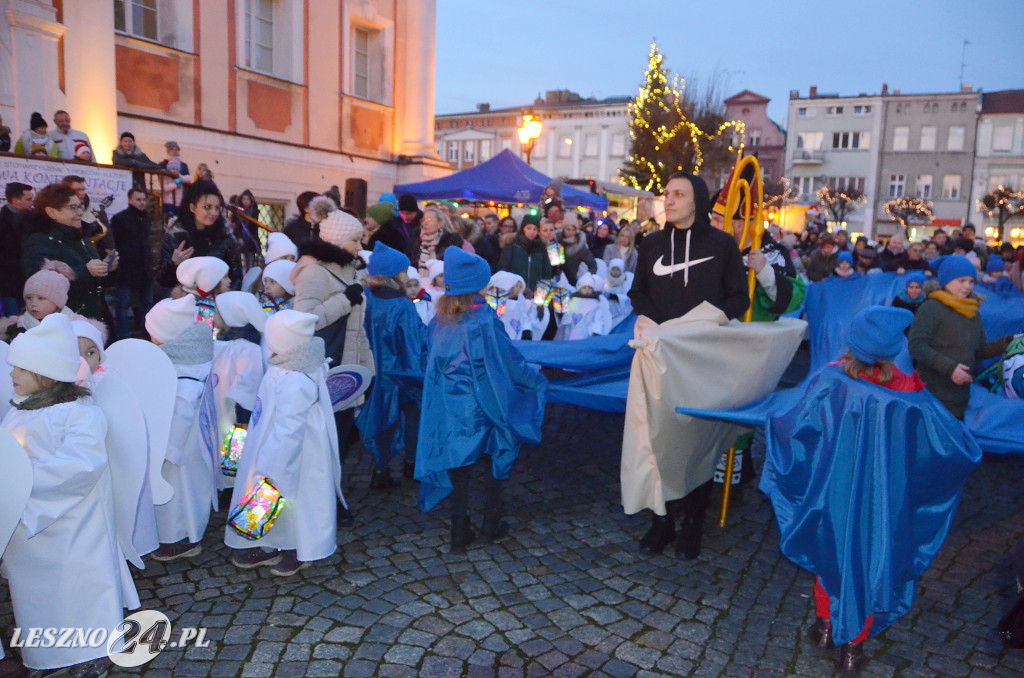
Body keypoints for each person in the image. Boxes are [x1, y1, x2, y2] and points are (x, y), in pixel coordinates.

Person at [758, 306, 981, 674]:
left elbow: (794, 425)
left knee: (831, 556)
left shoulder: (831, 381)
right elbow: (943, 441)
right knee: (869, 559)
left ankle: (827, 627)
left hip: (835, 495)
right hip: (882, 500)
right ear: (893, 351)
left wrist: (773, 425)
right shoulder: (911, 394)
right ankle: (853, 650)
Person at [2, 313, 139, 677]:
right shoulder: (18, 410)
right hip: (30, 531)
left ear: (45, 374)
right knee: (37, 597)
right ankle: (46, 655)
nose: (12, 376)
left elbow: (80, 464)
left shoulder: (79, 414)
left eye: (21, 369)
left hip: (72, 526)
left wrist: (22, 484)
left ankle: (88, 654)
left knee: (77, 590)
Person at [628, 171, 748, 559]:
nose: (670, 200)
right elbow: (638, 291)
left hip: (702, 358)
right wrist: (649, 321)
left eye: (678, 194)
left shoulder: (723, 244)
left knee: (696, 436)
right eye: (666, 194)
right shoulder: (651, 244)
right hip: (657, 355)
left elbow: (738, 299)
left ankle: (694, 521)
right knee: (656, 436)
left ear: (697, 200)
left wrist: (703, 325)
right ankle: (661, 520)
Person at [415, 247, 547, 553]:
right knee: (492, 453)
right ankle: (492, 521)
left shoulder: (439, 319)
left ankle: (459, 529)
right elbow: (508, 358)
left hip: (449, 406)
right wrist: (535, 380)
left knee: (458, 464)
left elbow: (428, 359)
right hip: (485, 404)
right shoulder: (484, 317)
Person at [225, 310, 346, 576]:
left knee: (301, 499)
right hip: (273, 445)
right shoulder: (284, 366)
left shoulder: (296, 378)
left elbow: (289, 429)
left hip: (298, 452)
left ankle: (302, 548)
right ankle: (274, 543)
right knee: (280, 498)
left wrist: (273, 464)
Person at [292, 208, 375, 460]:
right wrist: (344, 301)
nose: (360, 246)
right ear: (337, 239)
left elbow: (357, 331)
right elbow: (304, 321)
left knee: (340, 444)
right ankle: (323, 496)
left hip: (345, 371)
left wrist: (367, 371)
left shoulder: (349, 271)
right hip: (325, 370)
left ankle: (333, 495)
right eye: (354, 240)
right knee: (324, 446)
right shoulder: (315, 273)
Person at [146, 296, 218, 561]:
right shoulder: (195, 355)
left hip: (179, 446)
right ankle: (183, 533)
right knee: (191, 489)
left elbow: (182, 409)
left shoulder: (181, 368)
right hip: (194, 441)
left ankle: (177, 539)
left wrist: (169, 450)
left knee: (177, 494)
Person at [357, 242, 429, 489]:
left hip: (375, 372)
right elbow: (411, 344)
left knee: (380, 418)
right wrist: (416, 377)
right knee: (411, 416)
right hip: (400, 373)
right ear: (393, 274)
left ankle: (381, 468)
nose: (407, 275)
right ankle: (411, 463)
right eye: (404, 271)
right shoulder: (401, 306)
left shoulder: (367, 299)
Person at [908, 254, 1012, 419]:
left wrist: (1009, 342)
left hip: (960, 396)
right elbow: (916, 345)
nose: (967, 286)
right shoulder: (931, 308)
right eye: (961, 280)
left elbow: (979, 351)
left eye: (971, 281)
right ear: (946, 279)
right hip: (933, 394)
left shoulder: (972, 311)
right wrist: (949, 368)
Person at [21, 183, 119, 319]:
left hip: (95, 320)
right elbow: (39, 288)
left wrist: (109, 268)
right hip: (64, 323)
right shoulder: (39, 242)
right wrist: (86, 272)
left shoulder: (83, 238)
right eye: (72, 208)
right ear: (52, 212)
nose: (80, 212)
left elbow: (97, 285)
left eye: (80, 206)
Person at [156, 180, 242, 291]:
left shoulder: (225, 236)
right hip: (183, 304)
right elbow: (161, 281)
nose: (214, 213)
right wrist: (173, 264)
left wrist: (224, 300)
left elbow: (237, 276)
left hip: (215, 304)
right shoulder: (175, 235)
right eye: (207, 207)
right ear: (192, 208)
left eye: (217, 208)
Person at [109, 187, 154, 337]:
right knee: (123, 304)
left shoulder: (146, 218)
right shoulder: (120, 219)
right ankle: (123, 336)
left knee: (145, 305)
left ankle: (147, 334)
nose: (142, 203)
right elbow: (114, 242)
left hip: (144, 268)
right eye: (138, 200)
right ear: (130, 200)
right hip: (127, 268)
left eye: (143, 199)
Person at [497, 214, 552, 295]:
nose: (532, 232)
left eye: (535, 229)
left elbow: (546, 272)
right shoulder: (512, 245)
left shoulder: (541, 248)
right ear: (523, 229)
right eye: (529, 228)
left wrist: (543, 291)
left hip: (536, 293)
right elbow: (503, 268)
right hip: (514, 292)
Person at [0, 182, 33, 316]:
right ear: (15, 201)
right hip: (9, 283)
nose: (32, 204)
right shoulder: (4, 222)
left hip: (21, 281)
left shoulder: (27, 219)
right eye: (28, 200)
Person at [417, 205, 464, 273]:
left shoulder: (450, 242)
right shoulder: (419, 243)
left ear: (440, 224)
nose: (425, 223)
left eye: (430, 220)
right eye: (424, 220)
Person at [558, 212, 597, 286]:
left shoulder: (580, 246)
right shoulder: (556, 241)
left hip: (571, 283)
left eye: (573, 230)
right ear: (563, 229)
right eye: (568, 229)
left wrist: (587, 280)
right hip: (554, 281)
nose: (570, 232)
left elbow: (592, 264)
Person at [159, 141, 191, 219]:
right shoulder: (163, 164)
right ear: (168, 151)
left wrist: (179, 179)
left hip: (180, 198)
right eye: (172, 149)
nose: (175, 151)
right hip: (168, 199)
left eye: (177, 149)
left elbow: (188, 178)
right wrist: (175, 182)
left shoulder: (183, 165)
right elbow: (163, 183)